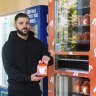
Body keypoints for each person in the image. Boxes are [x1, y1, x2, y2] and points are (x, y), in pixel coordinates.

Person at [2, 13, 53, 96]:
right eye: (21, 23)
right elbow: (10, 70)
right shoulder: (8, 46)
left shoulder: (38, 43)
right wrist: (29, 78)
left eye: (27, 23)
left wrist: (48, 57)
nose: (25, 26)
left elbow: (49, 61)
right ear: (15, 25)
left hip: (35, 91)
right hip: (16, 91)